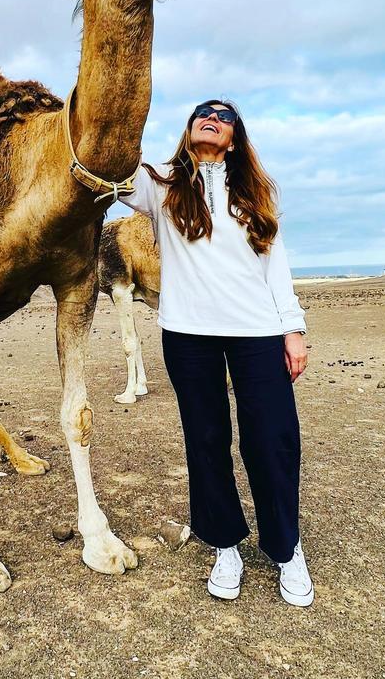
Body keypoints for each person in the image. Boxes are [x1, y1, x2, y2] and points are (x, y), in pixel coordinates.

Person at [119, 100, 313, 607]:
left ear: (235, 137)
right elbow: (111, 161)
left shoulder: (254, 191)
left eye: (224, 117)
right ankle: (225, 543)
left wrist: (292, 329)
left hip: (258, 332)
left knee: (272, 440)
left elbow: (276, 264)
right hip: (188, 335)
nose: (212, 118)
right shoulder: (158, 184)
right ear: (187, 129)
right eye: (203, 112)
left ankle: (285, 548)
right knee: (206, 440)